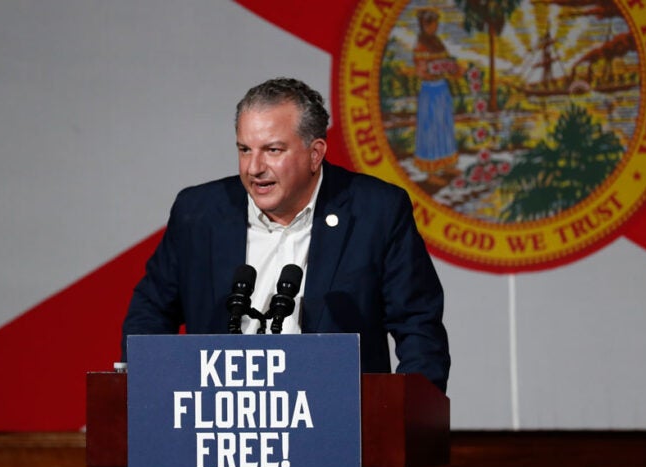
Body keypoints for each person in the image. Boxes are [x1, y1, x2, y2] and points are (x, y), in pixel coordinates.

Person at [122, 77, 450, 391]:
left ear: (315, 153)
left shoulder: (375, 211)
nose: (254, 167)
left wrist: (402, 420)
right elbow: (150, 311)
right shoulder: (199, 213)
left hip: (337, 421)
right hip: (223, 422)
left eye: (273, 150)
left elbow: (418, 326)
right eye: (245, 149)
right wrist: (150, 394)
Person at [413, 8, 460, 184]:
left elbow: (447, 61)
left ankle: (447, 165)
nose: (434, 28)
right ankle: (431, 172)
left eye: (435, 25)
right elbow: (421, 70)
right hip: (430, 91)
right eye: (431, 25)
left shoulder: (438, 42)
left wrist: (452, 68)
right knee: (431, 129)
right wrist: (433, 70)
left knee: (444, 126)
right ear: (424, 25)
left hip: (442, 89)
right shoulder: (420, 45)